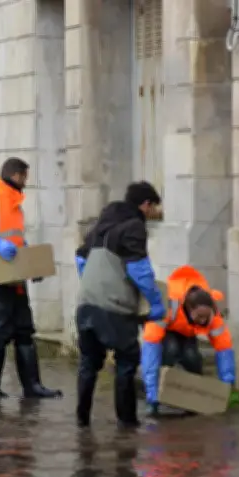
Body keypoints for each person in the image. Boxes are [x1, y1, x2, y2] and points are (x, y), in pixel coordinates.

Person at [0, 157, 62, 399]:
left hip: (11, 277)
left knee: (24, 330)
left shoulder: (14, 203)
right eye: (25, 177)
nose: (26, 182)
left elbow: (16, 241)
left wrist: (30, 266)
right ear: (17, 175)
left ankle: (33, 387)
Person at [74, 181, 164, 428]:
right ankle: (126, 421)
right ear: (145, 204)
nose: (154, 212)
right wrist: (156, 302)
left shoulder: (100, 226)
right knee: (127, 359)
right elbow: (139, 270)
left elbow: (80, 259)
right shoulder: (134, 226)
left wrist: (93, 286)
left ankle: (82, 419)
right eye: (154, 207)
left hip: (85, 303)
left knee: (88, 362)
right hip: (113, 306)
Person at [141, 265, 236, 416]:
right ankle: (159, 392)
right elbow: (151, 348)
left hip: (187, 332)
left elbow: (224, 349)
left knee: (192, 357)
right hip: (167, 331)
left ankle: (193, 397)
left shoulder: (212, 315)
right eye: (199, 317)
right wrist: (151, 395)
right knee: (171, 349)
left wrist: (227, 385)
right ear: (189, 308)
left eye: (207, 317)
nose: (203, 320)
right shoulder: (168, 303)